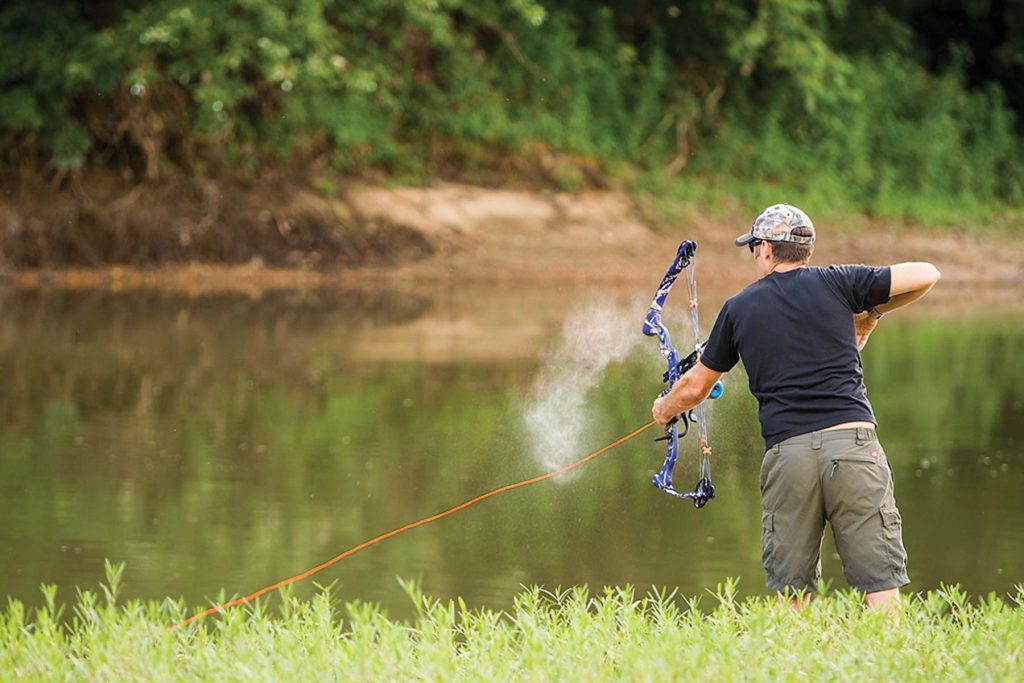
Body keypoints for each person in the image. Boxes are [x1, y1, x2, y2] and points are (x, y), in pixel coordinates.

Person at [651, 204, 940, 609]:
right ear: (805, 249)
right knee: (880, 581)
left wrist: (663, 408)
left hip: (789, 456)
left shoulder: (738, 308)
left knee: (793, 590)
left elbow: (695, 388)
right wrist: (871, 311)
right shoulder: (840, 282)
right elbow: (928, 274)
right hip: (854, 445)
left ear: (767, 249)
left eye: (754, 247)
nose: (755, 254)